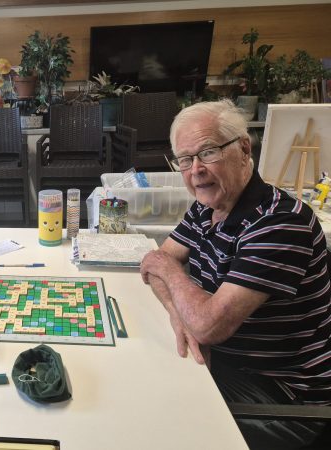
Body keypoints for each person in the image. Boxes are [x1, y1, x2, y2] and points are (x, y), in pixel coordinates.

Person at [140, 100, 331, 449]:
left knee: (147, 413)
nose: (195, 169)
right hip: (227, 360)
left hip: (281, 398)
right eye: (184, 159)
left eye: (208, 152)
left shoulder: (278, 223)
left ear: (244, 148)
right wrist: (179, 314)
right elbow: (157, 263)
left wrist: (176, 284)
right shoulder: (206, 206)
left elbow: (199, 314)